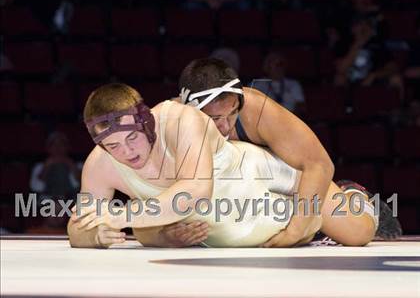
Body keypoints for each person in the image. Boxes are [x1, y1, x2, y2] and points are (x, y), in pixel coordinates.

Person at [68, 83, 378, 248]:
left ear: (147, 123)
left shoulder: (179, 119)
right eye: (113, 146)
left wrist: (119, 214)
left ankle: (353, 193)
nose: (126, 152)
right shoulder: (100, 164)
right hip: (232, 220)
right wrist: (94, 236)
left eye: (132, 138)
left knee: (357, 233)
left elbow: (194, 192)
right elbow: (77, 226)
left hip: (263, 178)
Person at [165, 57, 401, 246]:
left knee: (357, 233)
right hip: (239, 188)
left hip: (287, 177)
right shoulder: (171, 120)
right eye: (215, 118)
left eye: (232, 113)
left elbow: (319, 164)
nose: (226, 126)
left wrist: (295, 231)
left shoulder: (257, 110)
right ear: (190, 110)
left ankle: (354, 193)